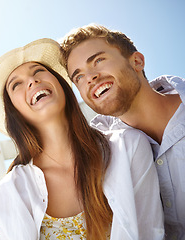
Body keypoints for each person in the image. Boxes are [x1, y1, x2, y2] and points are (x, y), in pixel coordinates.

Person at [0, 38, 164, 240]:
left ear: (62, 85)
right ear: (14, 112)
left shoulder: (127, 146)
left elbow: (149, 231)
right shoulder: (15, 187)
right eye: (16, 85)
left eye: (38, 71)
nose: (32, 81)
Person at [60, 23, 184, 239]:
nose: (89, 77)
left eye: (98, 60)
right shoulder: (100, 144)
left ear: (136, 61)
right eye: (78, 77)